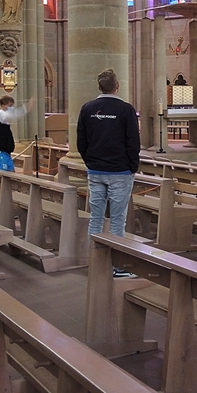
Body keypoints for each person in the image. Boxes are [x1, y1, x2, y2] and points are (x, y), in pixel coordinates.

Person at [77, 68, 140, 277]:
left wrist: (90, 161)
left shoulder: (87, 108)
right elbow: (133, 141)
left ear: (99, 87)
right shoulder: (125, 110)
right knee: (117, 219)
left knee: (95, 217)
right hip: (120, 171)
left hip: (96, 171)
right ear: (117, 86)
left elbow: (81, 141)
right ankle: (116, 267)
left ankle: (96, 263)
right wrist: (132, 166)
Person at [0, 94, 35, 171]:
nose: (12, 108)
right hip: (0, 152)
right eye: (10, 105)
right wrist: (26, 107)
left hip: (6, 152)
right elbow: (11, 115)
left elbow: (12, 115)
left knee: (11, 172)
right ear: (3, 105)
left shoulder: (4, 118)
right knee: (2, 174)